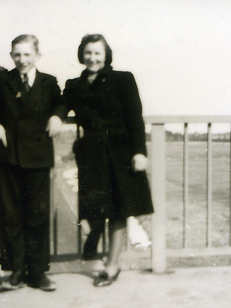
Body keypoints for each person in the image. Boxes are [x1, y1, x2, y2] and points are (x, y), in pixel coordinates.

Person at [63, 34, 154, 287]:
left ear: (106, 55)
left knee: (118, 210)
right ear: (82, 54)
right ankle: (94, 231)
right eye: (88, 52)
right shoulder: (74, 85)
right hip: (91, 154)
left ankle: (112, 266)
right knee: (92, 207)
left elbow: (135, 118)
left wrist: (139, 152)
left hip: (119, 153)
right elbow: (61, 105)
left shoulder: (123, 79)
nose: (92, 57)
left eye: (97, 53)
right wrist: (55, 117)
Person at [0, 35, 67, 292]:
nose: (22, 60)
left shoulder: (48, 82)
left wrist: (57, 116)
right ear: (11, 56)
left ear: (37, 56)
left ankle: (38, 273)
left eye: (27, 54)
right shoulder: (1, 80)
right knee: (11, 215)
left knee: (38, 215)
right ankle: (16, 270)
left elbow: (62, 102)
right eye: (17, 54)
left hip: (38, 157)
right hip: (8, 156)